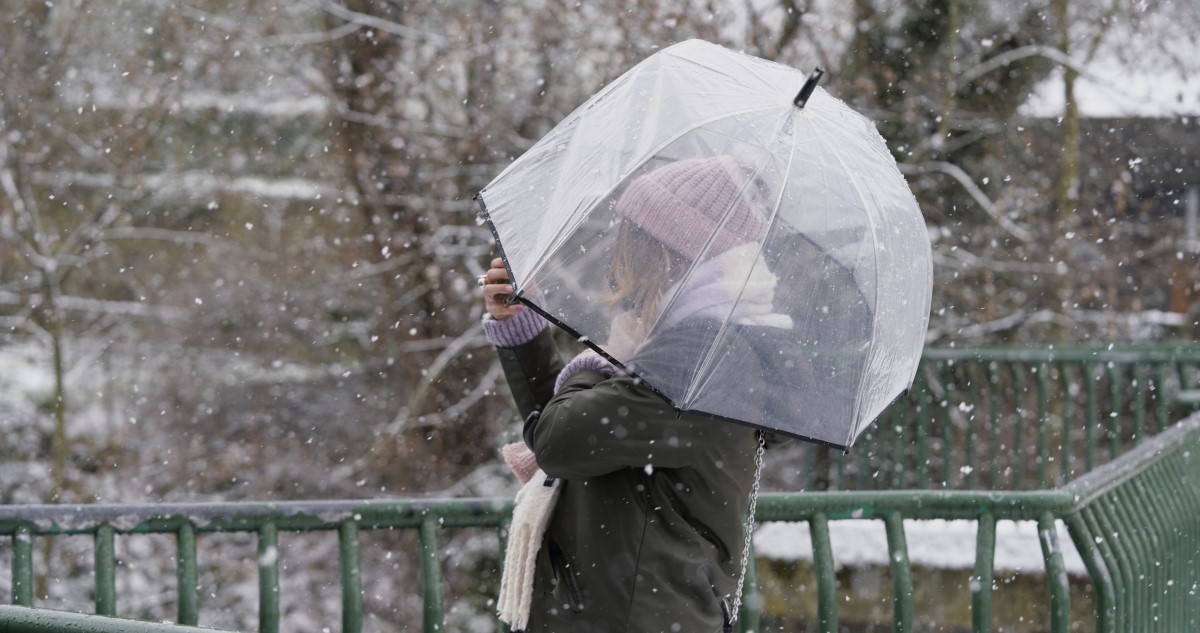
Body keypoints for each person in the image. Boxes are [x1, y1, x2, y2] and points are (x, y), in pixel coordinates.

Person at [481, 157, 789, 633]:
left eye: (632, 238)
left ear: (666, 254)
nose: (620, 258)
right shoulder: (688, 348)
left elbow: (562, 442)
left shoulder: (699, 361)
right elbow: (576, 438)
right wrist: (523, 332)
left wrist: (598, 365)